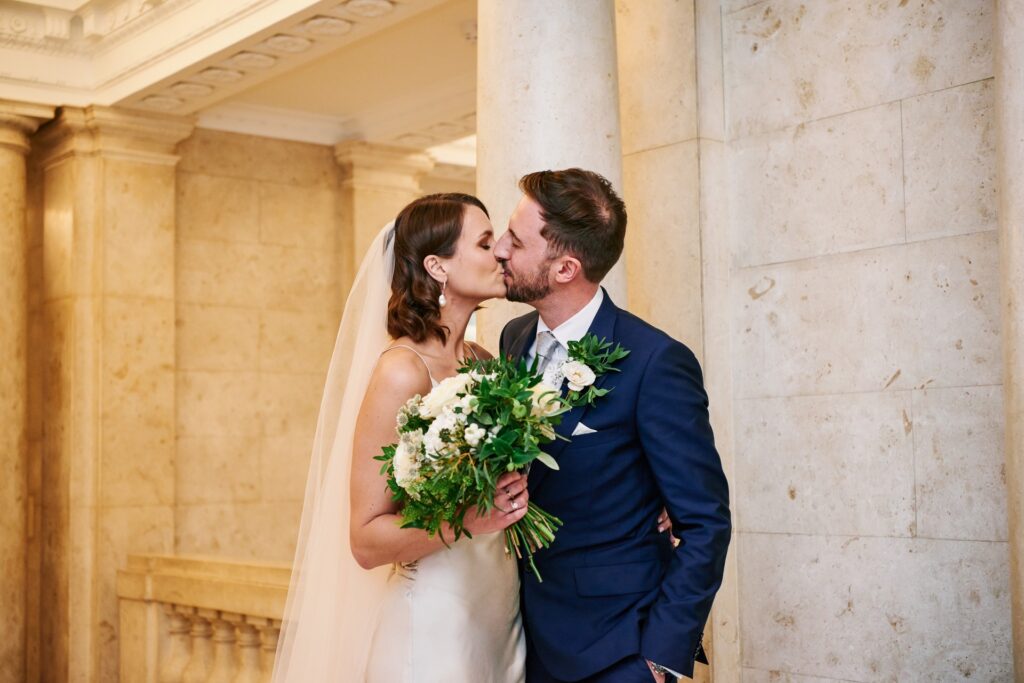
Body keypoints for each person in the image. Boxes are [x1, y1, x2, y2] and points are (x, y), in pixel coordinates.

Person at [272, 193, 529, 682]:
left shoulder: (483, 361)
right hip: (433, 623)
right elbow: (366, 540)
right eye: (484, 242)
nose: (499, 252)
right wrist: (468, 521)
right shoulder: (400, 371)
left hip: (499, 616)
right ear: (438, 267)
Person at [494, 168, 732, 683]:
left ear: (564, 268)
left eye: (515, 240)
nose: (498, 249)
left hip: (617, 648)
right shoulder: (512, 339)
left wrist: (661, 657)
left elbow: (706, 522)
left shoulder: (655, 362)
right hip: (519, 639)